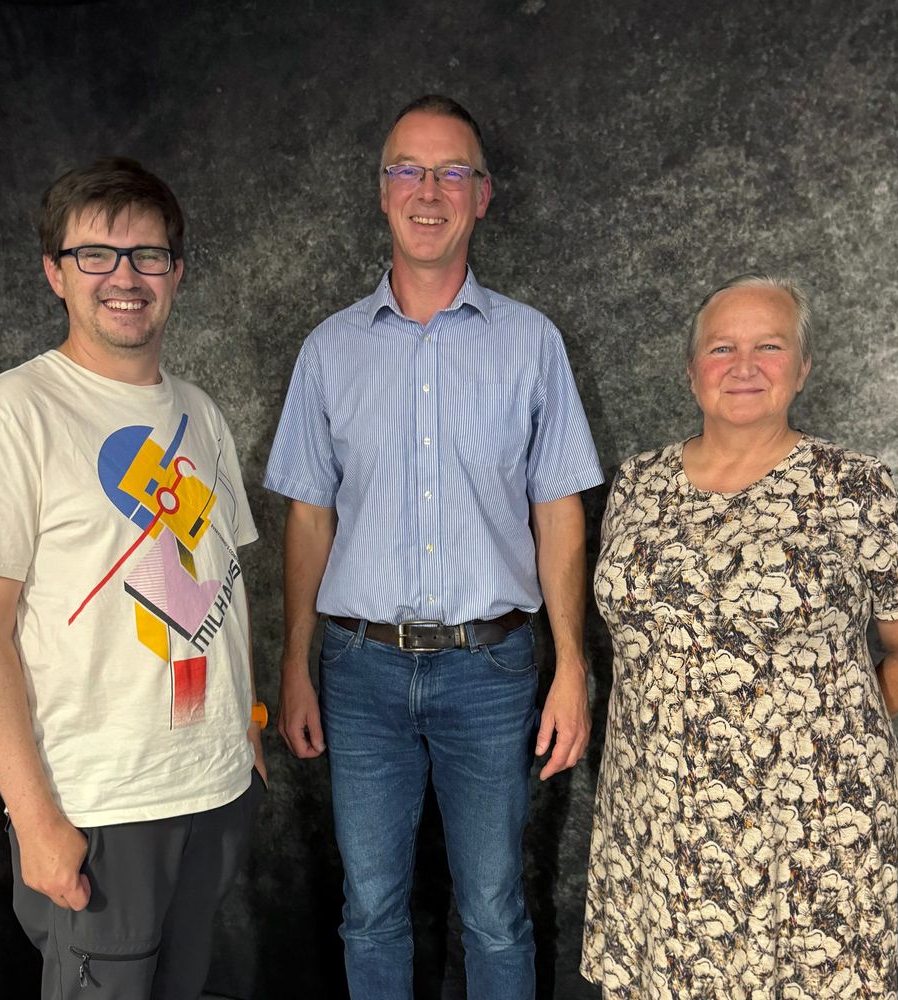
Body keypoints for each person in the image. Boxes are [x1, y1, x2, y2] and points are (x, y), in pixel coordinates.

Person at [264, 94, 603, 999]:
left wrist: (572, 666)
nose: (429, 190)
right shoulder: (328, 351)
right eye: (408, 170)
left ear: (483, 196)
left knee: (494, 909)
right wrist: (295, 664)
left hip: (491, 674)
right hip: (359, 672)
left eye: (452, 171)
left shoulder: (532, 345)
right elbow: (308, 519)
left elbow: (559, 509)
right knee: (370, 907)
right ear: (382, 193)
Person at [0, 157, 266, 1000]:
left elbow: (223, 580)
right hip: (101, 806)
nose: (125, 277)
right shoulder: (14, 414)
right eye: (96, 255)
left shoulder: (201, 412)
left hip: (212, 785)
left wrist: (248, 727)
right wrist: (35, 818)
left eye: (148, 255)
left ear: (177, 272)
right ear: (55, 272)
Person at [581, 273, 898, 998]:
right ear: (691, 370)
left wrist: (822, 741)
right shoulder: (636, 485)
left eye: (769, 347)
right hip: (657, 808)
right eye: (721, 348)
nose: (743, 367)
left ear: (802, 368)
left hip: (810, 823)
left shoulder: (853, 486)